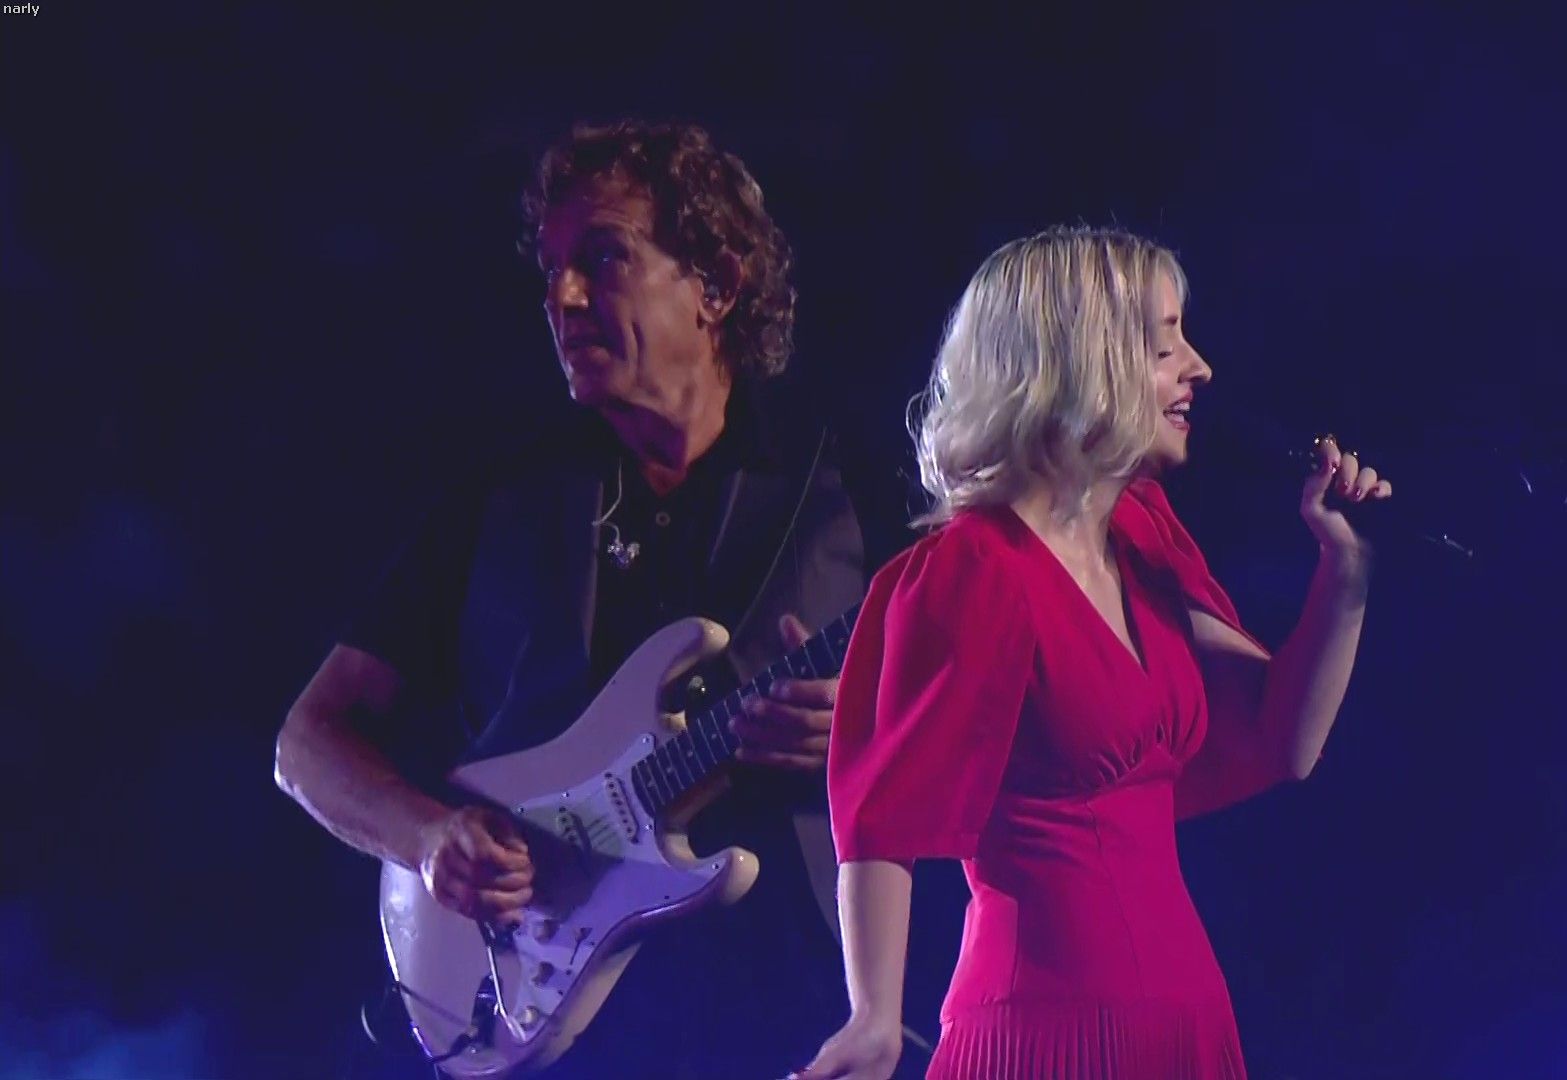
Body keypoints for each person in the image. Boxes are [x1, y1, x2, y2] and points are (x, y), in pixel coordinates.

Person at [274, 118, 872, 1078]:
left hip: (789, 1008)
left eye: (603, 258)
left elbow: (1000, 719)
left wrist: (870, 731)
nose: (562, 297)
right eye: (552, 270)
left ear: (716, 285)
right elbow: (307, 741)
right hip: (551, 1025)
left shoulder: (846, 488)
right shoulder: (498, 501)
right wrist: (428, 840)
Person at [799, 226, 1393, 1079]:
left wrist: (1346, 569)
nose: (1199, 368)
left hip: (1187, 1026)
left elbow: (1286, 739)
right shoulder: (975, 568)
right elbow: (878, 814)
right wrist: (875, 1017)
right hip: (1043, 1034)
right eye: (1165, 345)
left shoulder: (1144, 539)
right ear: (1080, 361)